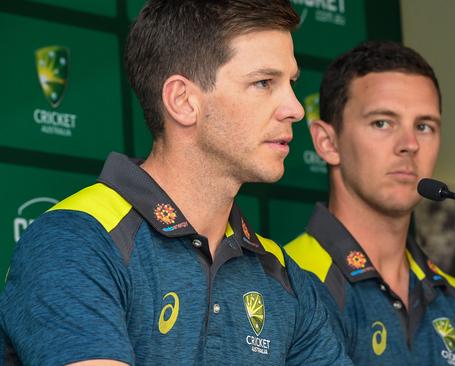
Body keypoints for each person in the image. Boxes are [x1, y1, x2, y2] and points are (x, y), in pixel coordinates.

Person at [0, 1, 352, 365]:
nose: (295, 108)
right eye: (264, 83)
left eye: (291, 83)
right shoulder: (76, 241)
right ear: (183, 101)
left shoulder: (284, 275)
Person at [285, 41, 455, 365]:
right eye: (382, 122)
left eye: (424, 126)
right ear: (327, 143)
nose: (409, 145)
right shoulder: (286, 280)